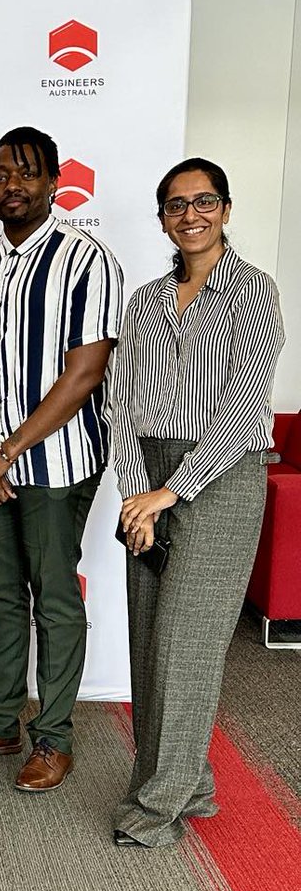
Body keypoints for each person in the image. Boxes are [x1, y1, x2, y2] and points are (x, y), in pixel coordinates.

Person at [111, 158, 284, 848]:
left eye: (204, 201)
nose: (191, 214)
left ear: (227, 209)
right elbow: (120, 402)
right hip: (147, 475)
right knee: (151, 642)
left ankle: (155, 808)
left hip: (221, 477)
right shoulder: (146, 301)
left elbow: (244, 408)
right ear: (162, 219)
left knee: (186, 646)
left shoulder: (252, 291)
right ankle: (194, 784)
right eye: (176, 205)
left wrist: (170, 491)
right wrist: (135, 492)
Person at [0, 126, 123, 792]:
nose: (10, 185)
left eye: (24, 173)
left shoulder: (86, 259)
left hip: (55, 465)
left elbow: (83, 375)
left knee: (52, 594)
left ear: (55, 180)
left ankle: (53, 737)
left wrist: (7, 453)